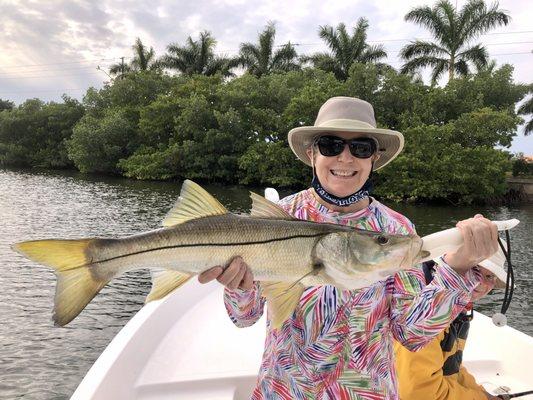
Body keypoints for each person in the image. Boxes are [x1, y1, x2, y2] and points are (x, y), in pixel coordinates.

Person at [198, 96, 499, 399]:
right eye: (330, 145)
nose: (345, 158)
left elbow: (411, 334)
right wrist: (239, 286)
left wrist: (457, 269)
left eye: (361, 148)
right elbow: (245, 316)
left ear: (374, 159)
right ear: (311, 153)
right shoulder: (279, 217)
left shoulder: (396, 230)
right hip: (286, 390)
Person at [394, 250, 508, 400]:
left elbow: (452, 367)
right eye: (473, 269)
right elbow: (418, 393)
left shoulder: (457, 309)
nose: (480, 282)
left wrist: (482, 393)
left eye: (489, 276)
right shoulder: (425, 314)